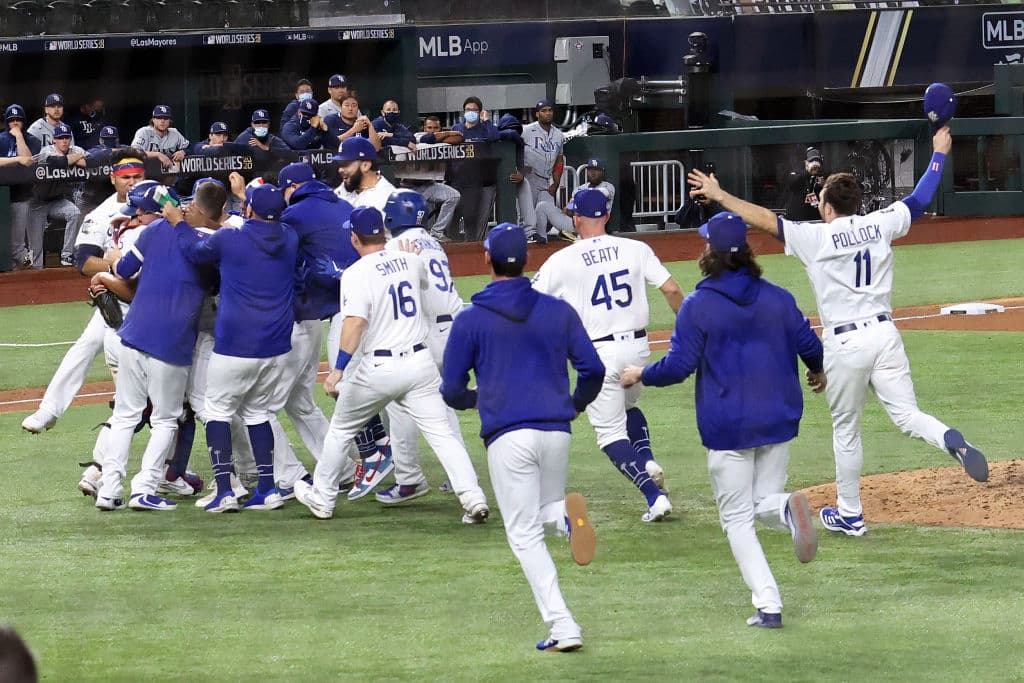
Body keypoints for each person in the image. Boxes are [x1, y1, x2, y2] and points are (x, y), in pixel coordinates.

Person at [685, 125, 990, 539]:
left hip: (845, 343)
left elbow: (764, 220)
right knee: (907, 415)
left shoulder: (817, 236)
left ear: (827, 207)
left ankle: (850, 513)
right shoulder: (881, 222)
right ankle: (948, 437)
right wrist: (938, 153)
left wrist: (720, 195)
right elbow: (920, 199)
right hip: (886, 336)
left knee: (847, 431)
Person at [620, 211, 823, 629]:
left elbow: (679, 367)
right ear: (746, 252)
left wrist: (642, 374)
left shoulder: (698, 306)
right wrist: (817, 371)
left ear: (709, 251)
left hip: (729, 426)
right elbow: (809, 344)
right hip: (779, 419)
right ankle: (784, 508)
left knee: (736, 520)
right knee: (762, 504)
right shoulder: (778, 297)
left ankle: (769, 604)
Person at [441, 222, 604, 652]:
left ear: (487, 260)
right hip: (556, 430)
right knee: (545, 511)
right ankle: (566, 519)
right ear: (527, 260)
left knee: (524, 534)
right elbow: (594, 370)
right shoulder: (558, 311)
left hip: (508, 435)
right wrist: (576, 404)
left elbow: (451, 389)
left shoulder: (471, 318)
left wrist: (480, 398)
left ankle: (563, 625)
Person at [292, 207, 490, 523]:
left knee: (342, 429)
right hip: (419, 364)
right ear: (383, 233)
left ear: (354, 237)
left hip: (379, 369)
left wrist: (338, 370)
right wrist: (407, 260)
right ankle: (473, 498)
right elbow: (423, 284)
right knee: (443, 434)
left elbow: (354, 324)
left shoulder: (356, 273)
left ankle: (323, 498)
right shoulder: (412, 261)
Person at [532, 188, 684, 521]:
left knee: (610, 434)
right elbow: (671, 289)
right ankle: (646, 460)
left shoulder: (562, 259)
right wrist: (690, 332)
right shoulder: (636, 248)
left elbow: (528, 301)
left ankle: (653, 496)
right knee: (628, 405)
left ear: (575, 218)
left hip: (598, 353)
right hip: (638, 349)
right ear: (606, 216)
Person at [175, 184, 298, 513]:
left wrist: (179, 223)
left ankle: (225, 492)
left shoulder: (231, 239)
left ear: (249, 210)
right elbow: (255, 231)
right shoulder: (289, 237)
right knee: (259, 414)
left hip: (236, 345)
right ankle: (268, 490)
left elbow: (194, 250)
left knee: (216, 412)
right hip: (276, 346)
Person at [93, 181, 211, 512]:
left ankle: (109, 489)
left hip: (133, 335)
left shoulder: (152, 233)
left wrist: (114, 253)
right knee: (164, 419)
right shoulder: (204, 244)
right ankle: (144, 488)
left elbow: (125, 269)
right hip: (171, 342)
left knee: (125, 416)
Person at [367, 188, 486, 511]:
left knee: (401, 402)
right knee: (443, 403)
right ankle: (457, 475)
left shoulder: (395, 246)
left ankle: (408, 479)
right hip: (455, 329)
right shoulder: (433, 241)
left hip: (429, 332)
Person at [21, 151, 147, 437]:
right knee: (85, 346)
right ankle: (49, 410)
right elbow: (85, 262)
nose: (132, 183)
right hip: (120, 298)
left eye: (137, 177)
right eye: (125, 178)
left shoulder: (162, 200)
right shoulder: (102, 214)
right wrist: (119, 266)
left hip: (157, 301)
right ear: (114, 179)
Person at [33, 122, 87, 266]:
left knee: (74, 213)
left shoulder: (75, 149)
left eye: (66, 138)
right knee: (36, 246)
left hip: (57, 201)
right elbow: (57, 162)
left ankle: (67, 255)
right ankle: (34, 269)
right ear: (54, 140)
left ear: (70, 139)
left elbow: (87, 162)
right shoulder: (46, 150)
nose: (64, 141)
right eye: (60, 138)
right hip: (38, 203)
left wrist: (74, 157)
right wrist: (76, 157)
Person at [512, 100, 564, 243]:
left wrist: (556, 183)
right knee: (527, 216)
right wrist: (521, 172)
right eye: (543, 110)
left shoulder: (559, 135)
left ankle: (541, 245)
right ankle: (524, 244)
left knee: (546, 216)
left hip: (546, 179)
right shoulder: (526, 130)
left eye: (550, 110)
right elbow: (514, 151)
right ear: (537, 114)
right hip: (529, 177)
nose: (547, 113)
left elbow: (559, 160)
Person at [403, 116, 462, 242]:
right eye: (429, 128)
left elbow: (459, 138)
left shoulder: (440, 137)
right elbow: (428, 138)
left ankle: (436, 231)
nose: (432, 130)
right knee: (414, 225)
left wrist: (442, 136)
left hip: (430, 184)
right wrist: (447, 133)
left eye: (436, 128)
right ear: (424, 128)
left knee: (454, 196)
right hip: (410, 188)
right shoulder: (416, 136)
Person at [451, 96, 500, 242]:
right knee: (453, 216)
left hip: (475, 182)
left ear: (480, 112)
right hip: (456, 179)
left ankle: (470, 247)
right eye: (468, 110)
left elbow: (494, 137)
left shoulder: (484, 129)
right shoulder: (457, 129)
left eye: (474, 110)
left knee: (470, 216)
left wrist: (487, 120)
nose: (470, 112)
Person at [536, 157, 615, 242]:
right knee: (542, 206)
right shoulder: (580, 188)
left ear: (602, 172)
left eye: (596, 170)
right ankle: (542, 239)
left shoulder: (608, 186)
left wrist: (578, 202)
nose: (593, 173)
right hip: (575, 224)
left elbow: (597, 196)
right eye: (590, 170)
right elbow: (569, 207)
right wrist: (569, 208)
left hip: (595, 227)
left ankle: (578, 236)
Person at [2, 104, 42, 270]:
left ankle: (22, 271)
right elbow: (20, 160)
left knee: (17, 241)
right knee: (4, 239)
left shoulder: (33, 140)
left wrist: (18, 137)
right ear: (6, 121)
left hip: (22, 195)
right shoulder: (1, 139)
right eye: (12, 120)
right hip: (2, 195)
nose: (15, 123)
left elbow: (27, 160)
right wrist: (15, 160)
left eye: (19, 120)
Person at [332, 136, 396, 213]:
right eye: (339, 164)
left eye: (346, 164)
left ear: (365, 165)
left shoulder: (387, 198)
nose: (340, 170)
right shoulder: (347, 186)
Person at [130, 105, 189, 169]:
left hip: (168, 174)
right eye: (159, 117)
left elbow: (190, 147)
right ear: (153, 120)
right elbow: (134, 152)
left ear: (169, 120)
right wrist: (157, 155)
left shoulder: (174, 133)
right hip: (146, 172)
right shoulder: (144, 132)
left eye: (166, 118)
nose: (162, 121)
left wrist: (183, 152)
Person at [784, 147, 827, 222]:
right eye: (812, 161)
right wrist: (808, 173)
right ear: (806, 162)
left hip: (816, 219)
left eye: (817, 161)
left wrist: (824, 185)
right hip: (797, 219)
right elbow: (791, 184)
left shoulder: (823, 175)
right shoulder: (797, 172)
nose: (815, 164)